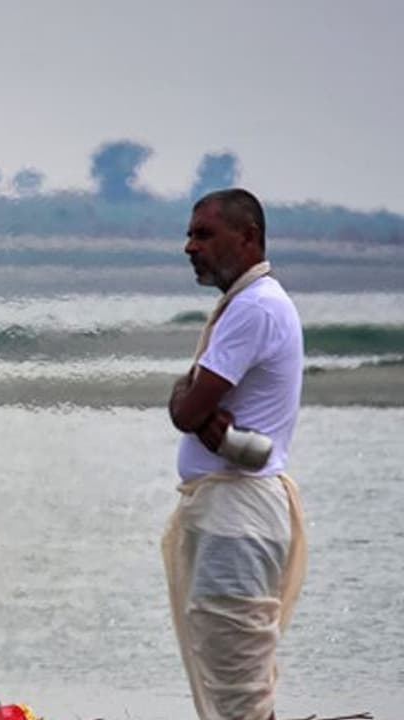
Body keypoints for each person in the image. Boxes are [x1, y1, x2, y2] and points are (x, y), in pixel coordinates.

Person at [164, 188, 308, 720]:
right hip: (231, 514)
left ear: (248, 237)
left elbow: (187, 409)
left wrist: (188, 400)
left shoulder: (255, 307)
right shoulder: (247, 304)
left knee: (238, 691)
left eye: (204, 235)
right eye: (189, 235)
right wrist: (188, 399)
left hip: (238, 518)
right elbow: (189, 404)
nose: (190, 247)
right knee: (229, 683)